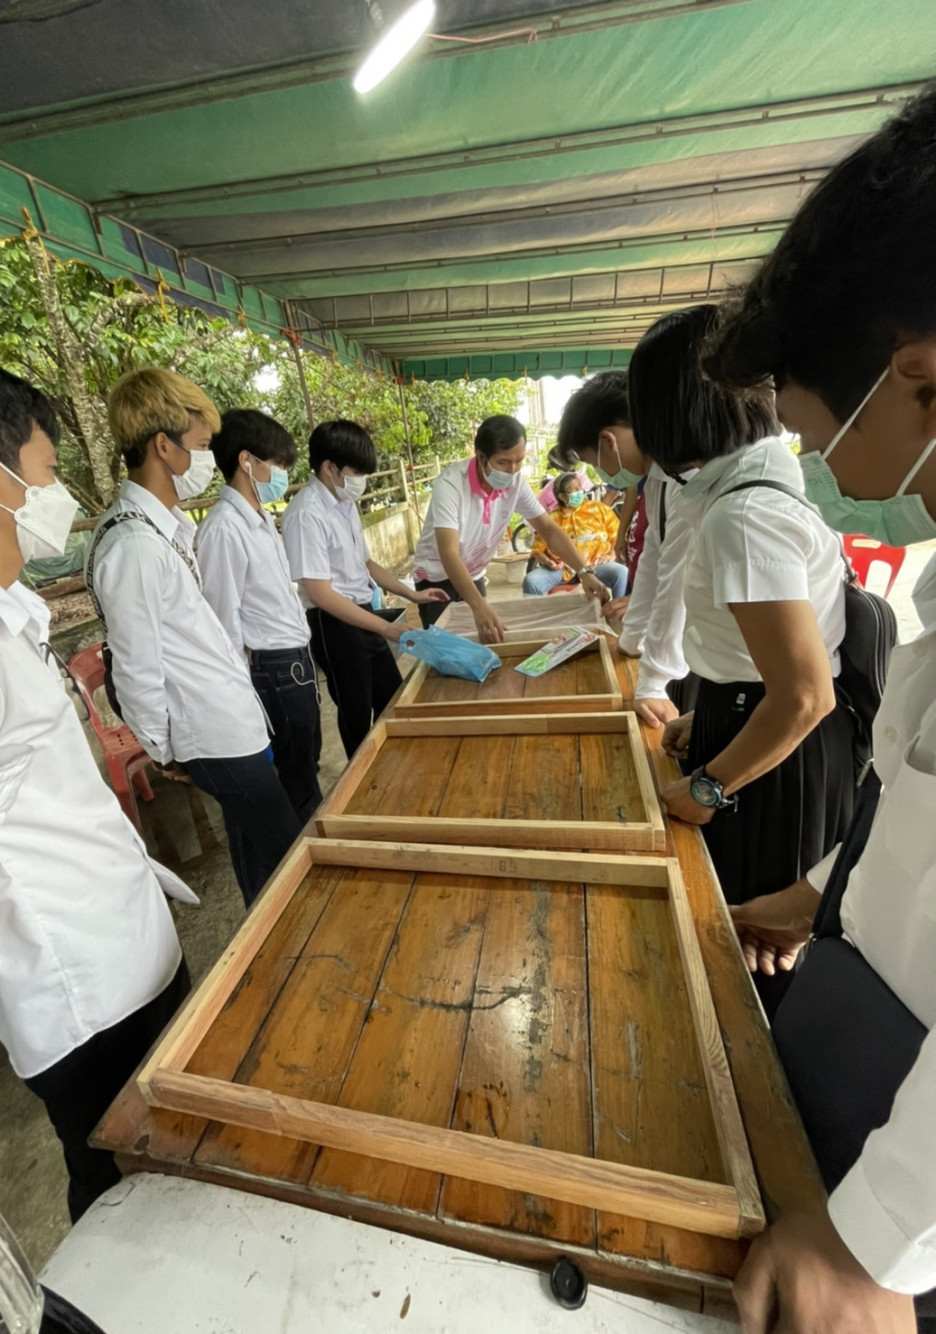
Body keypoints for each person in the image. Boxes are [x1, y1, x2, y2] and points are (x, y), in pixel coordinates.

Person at [701, 85, 936, 1334]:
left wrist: (873, 1243)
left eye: (808, 424)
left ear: (916, 379)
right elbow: (911, 798)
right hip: (870, 1047)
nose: (819, 462)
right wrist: (822, 893)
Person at [0, 343, 193, 1222]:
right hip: (82, 991)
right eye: (46, 473)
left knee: (173, 1157)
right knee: (124, 1190)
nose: (60, 497)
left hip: (116, 947)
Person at [630, 304, 857, 1015]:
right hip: (754, 724)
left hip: (776, 750)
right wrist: (709, 717)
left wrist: (708, 787)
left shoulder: (744, 514)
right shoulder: (746, 493)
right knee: (735, 932)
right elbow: (764, 656)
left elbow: (803, 695)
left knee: (743, 943)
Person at [88, 368, 301, 907]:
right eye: (203, 447)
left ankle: (261, 928)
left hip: (229, 719)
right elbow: (136, 667)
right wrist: (166, 750)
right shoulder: (134, 545)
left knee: (256, 846)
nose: (209, 459)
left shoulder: (166, 529)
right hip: (211, 732)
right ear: (164, 446)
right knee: (290, 855)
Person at [281, 419, 448, 759]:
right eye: (357, 472)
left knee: (391, 696)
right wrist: (386, 628)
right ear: (329, 468)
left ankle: (393, 765)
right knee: (355, 711)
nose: (362, 481)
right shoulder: (306, 514)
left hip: (362, 612)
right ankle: (360, 775)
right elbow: (320, 593)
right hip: (332, 622)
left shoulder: (344, 504)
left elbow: (365, 563)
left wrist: (412, 594)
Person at [196, 409, 322, 824]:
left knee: (306, 762)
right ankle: (305, 849)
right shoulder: (223, 528)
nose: (282, 473)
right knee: (296, 778)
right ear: (246, 461)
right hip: (272, 667)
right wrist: (243, 694)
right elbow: (223, 619)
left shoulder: (260, 518)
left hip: (295, 659)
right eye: (277, 464)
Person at [554, 370, 695, 726]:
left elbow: (676, 584)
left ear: (608, 441)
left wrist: (653, 682)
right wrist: (631, 638)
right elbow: (652, 561)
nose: (599, 473)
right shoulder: (659, 478)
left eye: (592, 463)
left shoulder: (686, 478)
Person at [412, 414, 611, 643]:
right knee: (445, 648)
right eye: (503, 463)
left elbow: (549, 529)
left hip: (473, 573)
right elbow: (449, 552)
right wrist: (478, 606)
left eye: (519, 461)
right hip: (437, 578)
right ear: (481, 457)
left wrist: (584, 571)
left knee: (486, 643)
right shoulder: (451, 485)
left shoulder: (515, 482)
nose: (512, 470)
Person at [522, 471, 628, 598]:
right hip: (564, 569)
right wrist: (548, 562)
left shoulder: (599, 509)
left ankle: (618, 609)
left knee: (622, 573)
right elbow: (537, 550)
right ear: (563, 496)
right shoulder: (552, 518)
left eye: (580, 487)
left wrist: (611, 555)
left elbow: (617, 536)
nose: (580, 491)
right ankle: (536, 611)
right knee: (531, 582)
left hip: (596, 564)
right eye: (575, 489)